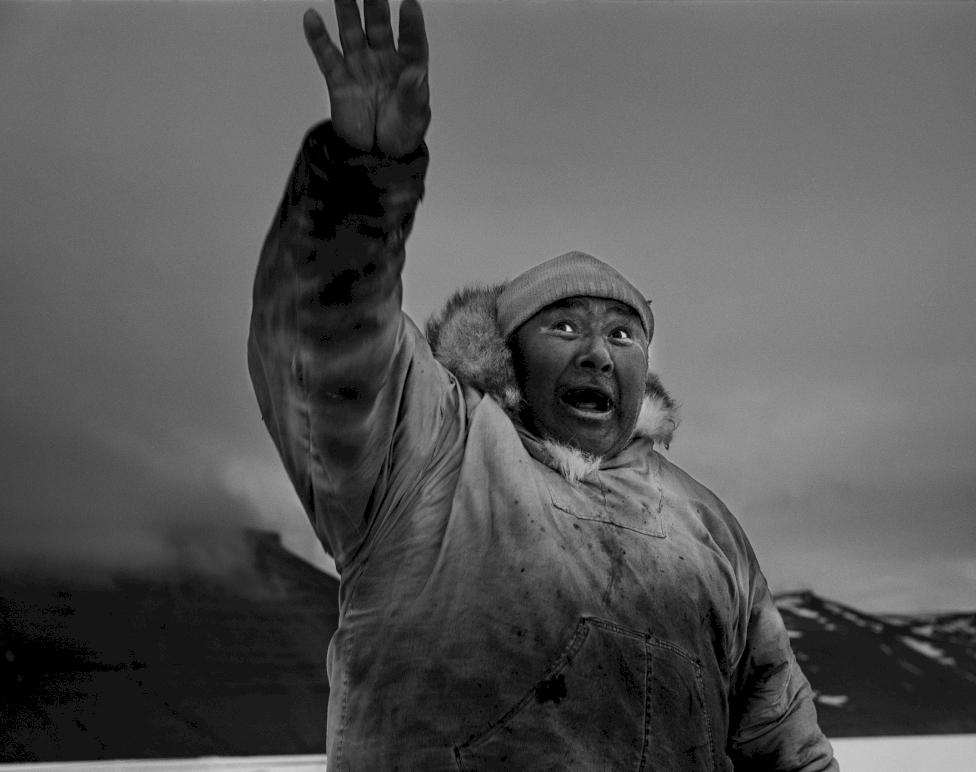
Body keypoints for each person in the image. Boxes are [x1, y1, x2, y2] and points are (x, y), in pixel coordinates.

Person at [247, 1, 839, 769]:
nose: (598, 352)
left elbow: (781, 733)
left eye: (622, 334)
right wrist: (362, 175)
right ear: (508, 354)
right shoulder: (430, 450)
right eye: (565, 328)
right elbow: (324, 341)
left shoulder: (705, 525)